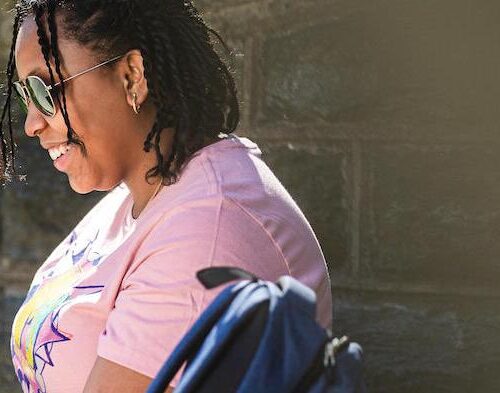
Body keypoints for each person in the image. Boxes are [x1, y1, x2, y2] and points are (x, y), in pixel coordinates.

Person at [0, 1, 333, 392]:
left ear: (132, 75)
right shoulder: (147, 191)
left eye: (43, 90)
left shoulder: (208, 232)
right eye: (25, 95)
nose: (32, 124)